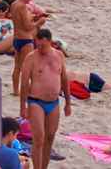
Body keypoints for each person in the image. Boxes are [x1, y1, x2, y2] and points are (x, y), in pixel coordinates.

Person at [19, 28, 71, 169]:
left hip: (54, 103)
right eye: (37, 44)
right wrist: (23, 106)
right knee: (39, 138)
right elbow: (24, 83)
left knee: (49, 139)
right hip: (36, 101)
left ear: (50, 43)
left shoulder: (59, 55)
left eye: (42, 45)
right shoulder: (31, 57)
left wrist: (68, 102)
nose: (39, 48)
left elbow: (64, 80)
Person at [10, 0, 48, 97]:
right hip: (25, 40)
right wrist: (39, 22)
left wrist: (37, 17)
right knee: (26, 69)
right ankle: (25, 92)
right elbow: (27, 26)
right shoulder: (22, 7)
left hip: (17, 39)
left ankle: (16, 91)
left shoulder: (14, 4)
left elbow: (25, 21)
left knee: (17, 67)